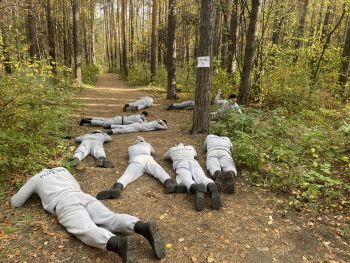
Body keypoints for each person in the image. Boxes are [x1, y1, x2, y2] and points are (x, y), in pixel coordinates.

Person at [11, 167, 166, 263]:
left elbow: (16, 202)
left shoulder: (36, 178)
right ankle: (141, 227)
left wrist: (35, 190)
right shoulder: (62, 169)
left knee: (85, 228)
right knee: (110, 218)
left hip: (64, 203)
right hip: (84, 196)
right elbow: (77, 185)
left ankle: (118, 244)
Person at [96, 136, 176, 200]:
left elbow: (129, 155)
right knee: (159, 172)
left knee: (128, 175)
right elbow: (153, 152)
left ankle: (117, 188)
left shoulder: (131, 147)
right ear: (143, 141)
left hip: (136, 159)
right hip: (148, 158)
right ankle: (169, 184)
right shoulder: (147, 144)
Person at [164, 143, 221, 211]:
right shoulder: (190, 147)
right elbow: (195, 155)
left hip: (181, 163)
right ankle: (210, 184)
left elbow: (165, 156)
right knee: (201, 177)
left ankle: (195, 188)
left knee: (185, 179)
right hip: (193, 162)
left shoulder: (172, 149)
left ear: (176, 145)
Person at [79, 111, 148, 128]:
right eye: (145, 116)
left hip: (119, 118)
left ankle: (88, 119)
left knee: (104, 119)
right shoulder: (139, 119)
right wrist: (145, 120)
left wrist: (144, 119)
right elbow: (145, 124)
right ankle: (85, 121)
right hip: (119, 121)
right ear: (143, 115)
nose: (145, 118)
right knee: (104, 124)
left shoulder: (137, 116)